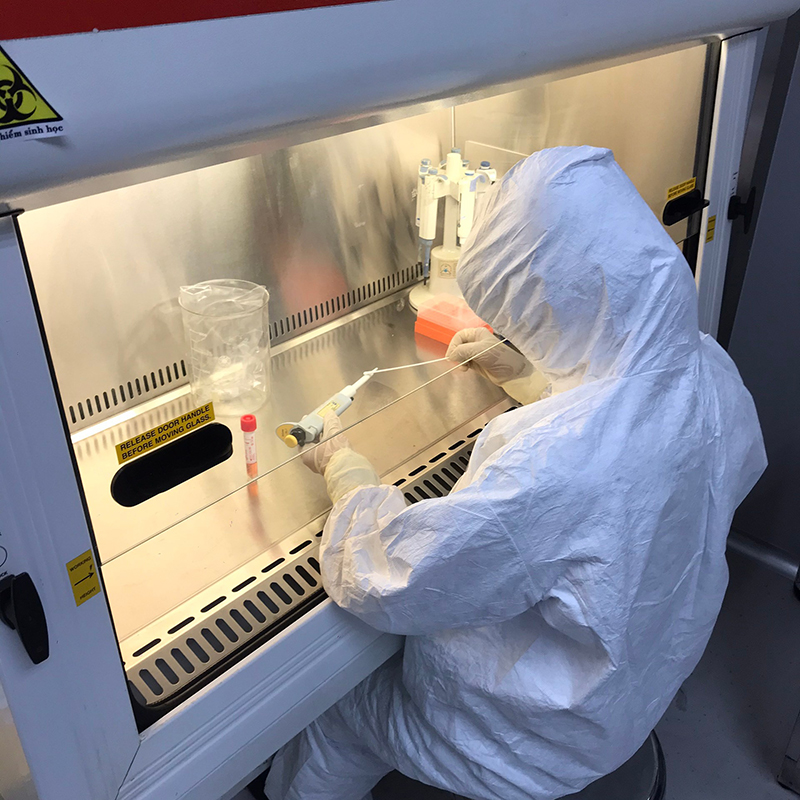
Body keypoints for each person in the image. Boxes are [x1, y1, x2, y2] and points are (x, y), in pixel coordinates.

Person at [264, 146, 766, 800]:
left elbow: (395, 577)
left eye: (527, 315)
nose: (520, 327)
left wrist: (346, 475)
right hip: (637, 693)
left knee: (335, 719)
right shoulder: (708, 371)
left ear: (563, 300)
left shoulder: (559, 464)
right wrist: (532, 374)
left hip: (529, 742)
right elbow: (642, 427)